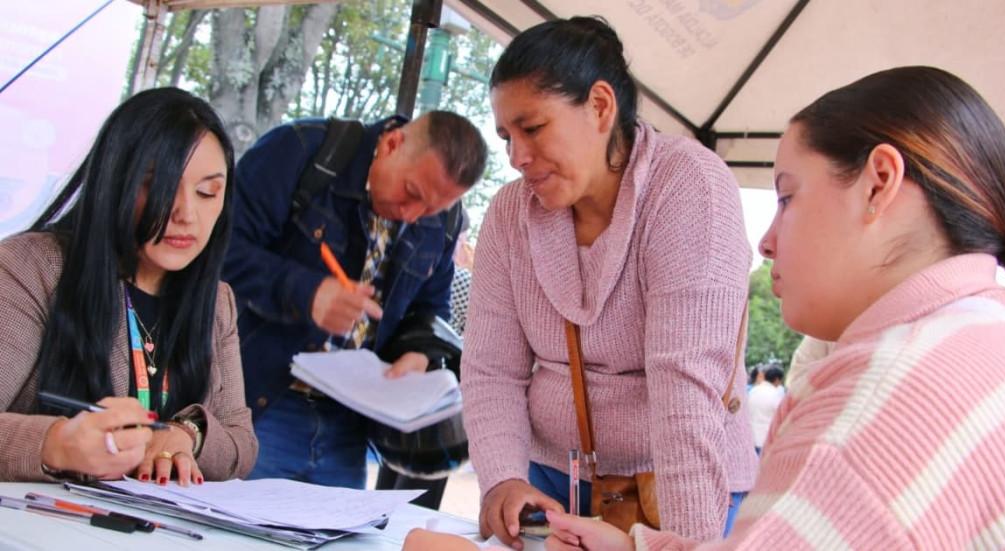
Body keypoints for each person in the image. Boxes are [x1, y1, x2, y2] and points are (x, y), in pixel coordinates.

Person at [543, 66, 1005, 550]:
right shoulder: (992, 336)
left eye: (786, 197)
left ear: (878, 183)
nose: (765, 243)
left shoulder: (879, 401)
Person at [459, 16, 758, 549]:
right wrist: (503, 478)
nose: (515, 157)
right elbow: (491, 369)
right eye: (506, 136)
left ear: (599, 106)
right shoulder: (509, 213)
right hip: (548, 483)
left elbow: (686, 389)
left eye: (532, 128)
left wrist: (689, 543)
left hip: (674, 488)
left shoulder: (689, 187)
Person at [223, 109, 486, 502]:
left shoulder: (443, 222)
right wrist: (305, 292)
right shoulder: (301, 151)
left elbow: (430, 307)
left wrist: (419, 353)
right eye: (412, 193)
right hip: (260, 403)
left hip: (349, 428)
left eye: (431, 210)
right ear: (393, 143)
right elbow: (219, 250)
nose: (412, 215)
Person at [0, 87, 257, 484]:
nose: (186, 213)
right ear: (115, 182)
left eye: (208, 192)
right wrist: (53, 443)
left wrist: (187, 434)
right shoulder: (32, 268)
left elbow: (242, 443)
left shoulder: (217, 300)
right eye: (159, 186)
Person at [747, 365, 784, 454]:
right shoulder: (776, 395)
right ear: (777, 380)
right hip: (766, 440)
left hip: (750, 438)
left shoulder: (753, 391)